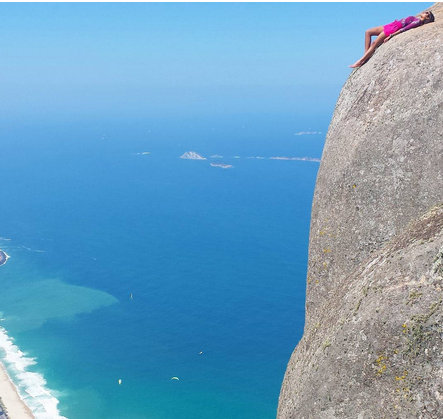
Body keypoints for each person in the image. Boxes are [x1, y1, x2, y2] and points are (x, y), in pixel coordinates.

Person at [349, 11, 435, 68]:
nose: (424, 12)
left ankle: (360, 61)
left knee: (374, 43)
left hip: (394, 28)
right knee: (368, 32)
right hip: (391, 24)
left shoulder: (418, 22)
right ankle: (365, 56)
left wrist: (391, 35)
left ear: (427, 18)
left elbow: (404, 29)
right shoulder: (417, 19)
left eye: (426, 13)